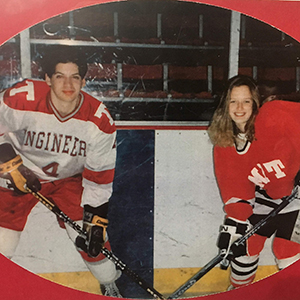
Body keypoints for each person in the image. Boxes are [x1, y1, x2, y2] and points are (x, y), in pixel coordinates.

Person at [0, 46, 122, 297]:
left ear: (84, 81)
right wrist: (9, 162)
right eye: (59, 76)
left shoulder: (99, 120)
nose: (68, 84)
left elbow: (99, 178)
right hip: (20, 172)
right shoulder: (22, 97)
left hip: (68, 179)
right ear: (47, 79)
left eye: (75, 77)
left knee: (92, 238)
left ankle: (109, 283)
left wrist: (95, 220)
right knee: (3, 239)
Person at [208, 75, 300, 290]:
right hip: (271, 196)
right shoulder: (225, 145)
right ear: (225, 105)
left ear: (256, 103)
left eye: (246, 101)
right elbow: (237, 193)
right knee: (243, 247)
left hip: (298, 194)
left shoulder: (274, 115)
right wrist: (235, 226)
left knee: (285, 250)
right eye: (233, 101)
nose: (240, 108)